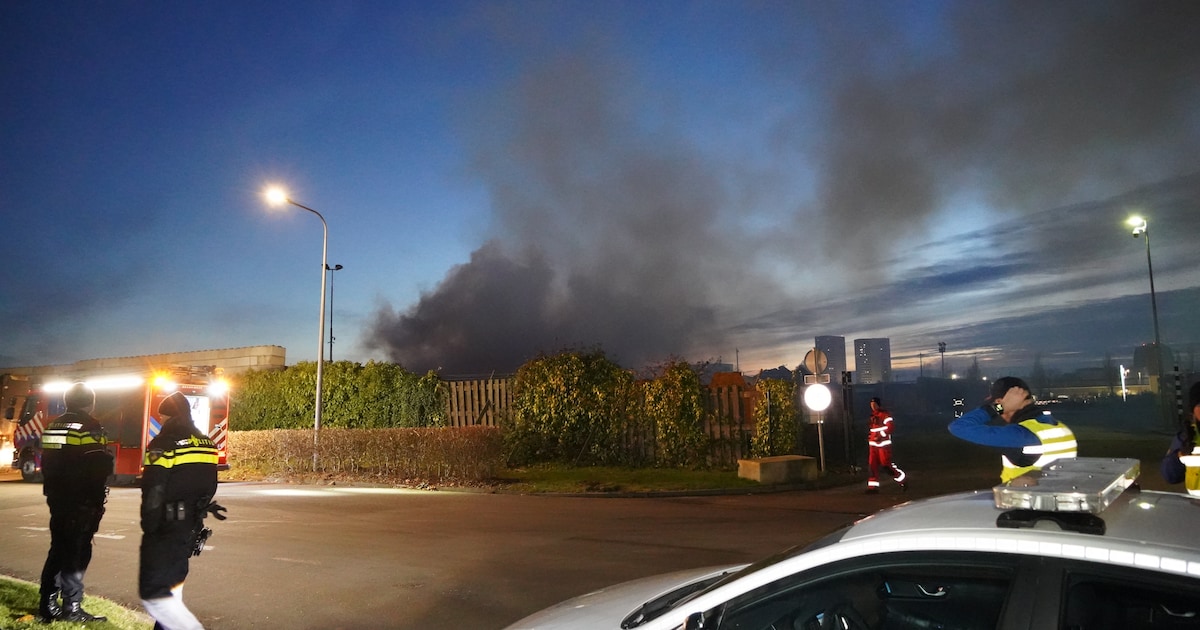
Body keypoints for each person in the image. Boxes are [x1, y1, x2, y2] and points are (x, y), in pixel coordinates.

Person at [139, 391, 222, 630]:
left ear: (167, 416)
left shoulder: (162, 443)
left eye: (161, 416)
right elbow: (211, 485)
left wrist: (150, 525)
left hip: (167, 521)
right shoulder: (207, 442)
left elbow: (153, 489)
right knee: (176, 576)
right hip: (191, 520)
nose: (161, 421)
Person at [38, 381, 113, 623]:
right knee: (78, 552)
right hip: (81, 500)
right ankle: (72, 607)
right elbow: (98, 466)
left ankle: (48, 603)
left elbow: (48, 463)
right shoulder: (89, 425)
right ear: (90, 402)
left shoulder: (53, 425)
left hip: (57, 497)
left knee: (59, 547)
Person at [948, 376, 1077, 483]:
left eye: (997, 404)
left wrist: (997, 408)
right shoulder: (1060, 428)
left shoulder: (1020, 435)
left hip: (1027, 507)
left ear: (1000, 402)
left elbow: (959, 427)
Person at [1161, 381, 1200, 496]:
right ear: (1193, 410)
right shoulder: (1187, 436)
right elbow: (1170, 476)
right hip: (1195, 509)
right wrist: (1178, 456)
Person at [865, 397, 907, 493]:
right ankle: (873, 488)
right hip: (873, 446)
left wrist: (880, 436)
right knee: (872, 466)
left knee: (886, 466)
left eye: (874, 404)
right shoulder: (872, 416)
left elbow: (890, 428)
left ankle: (902, 480)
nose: (873, 406)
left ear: (878, 405)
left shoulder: (885, 415)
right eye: (871, 405)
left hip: (883, 445)